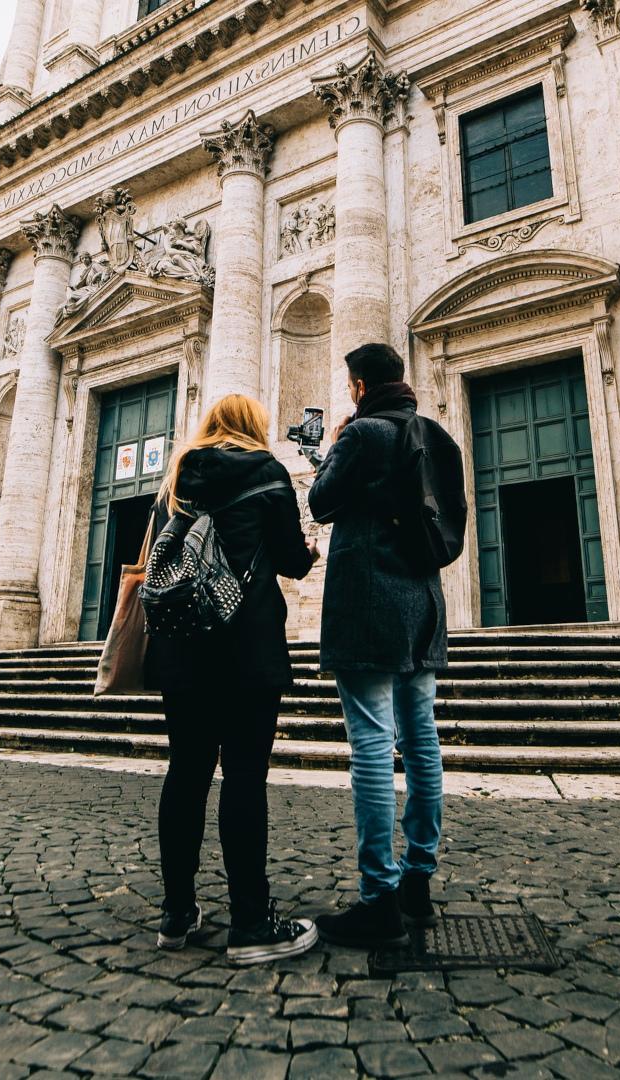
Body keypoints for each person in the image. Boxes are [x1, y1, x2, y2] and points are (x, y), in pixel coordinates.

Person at [144, 393, 321, 965]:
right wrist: (308, 551)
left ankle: (176, 914)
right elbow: (291, 560)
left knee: (186, 771)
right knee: (244, 775)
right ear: (255, 427)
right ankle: (250, 921)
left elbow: (156, 559)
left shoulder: (176, 479)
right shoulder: (267, 472)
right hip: (246, 645)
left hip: (181, 646)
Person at [308, 343, 448, 947]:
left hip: (369, 600)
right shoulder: (435, 434)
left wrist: (337, 442)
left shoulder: (363, 433)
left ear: (360, 385)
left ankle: (378, 899)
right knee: (420, 740)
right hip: (422, 602)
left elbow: (320, 502)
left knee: (370, 742)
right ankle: (418, 879)